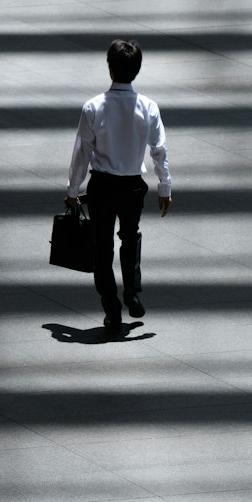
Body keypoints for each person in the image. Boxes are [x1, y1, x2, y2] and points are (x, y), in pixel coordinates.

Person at [66, 39, 172, 331]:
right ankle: (132, 292)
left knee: (102, 247)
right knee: (130, 236)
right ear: (137, 70)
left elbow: (81, 153)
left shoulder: (93, 107)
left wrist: (73, 191)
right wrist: (165, 187)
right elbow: (159, 150)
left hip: (101, 185)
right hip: (132, 187)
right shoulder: (148, 107)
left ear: (109, 67)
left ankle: (111, 309)